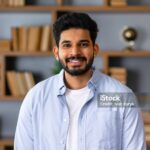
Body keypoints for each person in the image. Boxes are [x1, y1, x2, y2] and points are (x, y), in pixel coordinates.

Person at [14, 12, 146, 150]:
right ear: (56, 52)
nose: (75, 52)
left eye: (83, 44)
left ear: (95, 50)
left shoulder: (122, 97)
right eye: (66, 45)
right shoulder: (36, 97)